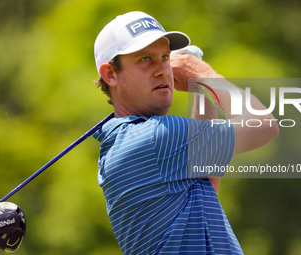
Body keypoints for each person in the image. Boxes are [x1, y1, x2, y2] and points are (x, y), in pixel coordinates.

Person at [93, 11, 279, 255]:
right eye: (145, 59)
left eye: (165, 57)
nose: (162, 70)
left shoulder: (127, 142)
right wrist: (201, 73)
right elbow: (264, 125)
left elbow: (206, 179)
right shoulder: (155, 138)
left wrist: (202, 91)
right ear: (110, 74)